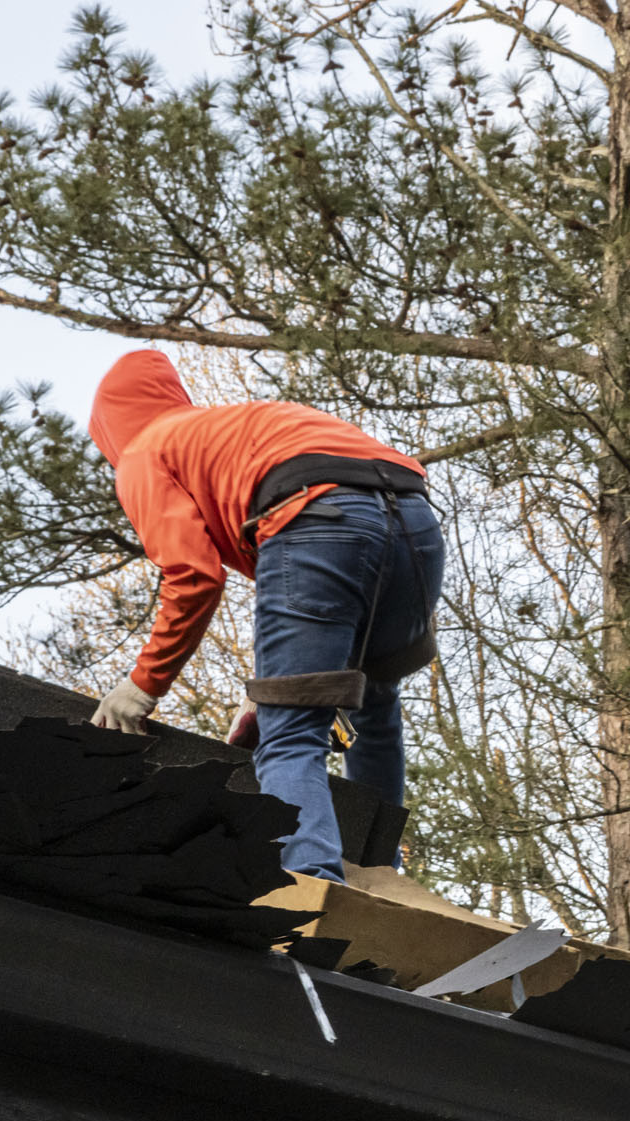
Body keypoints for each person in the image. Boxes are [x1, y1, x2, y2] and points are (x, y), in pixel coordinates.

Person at [85, 348, 445, 883]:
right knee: (371, 706)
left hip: (315, 516)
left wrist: (142, 686)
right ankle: (381, 883)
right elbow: (325, 584)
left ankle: (311, 892)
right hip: (415, 523)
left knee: (290, 735)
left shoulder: (145, 451)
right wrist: (267, 688)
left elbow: (194, 576)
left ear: (110, 432)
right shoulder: (226, 431)